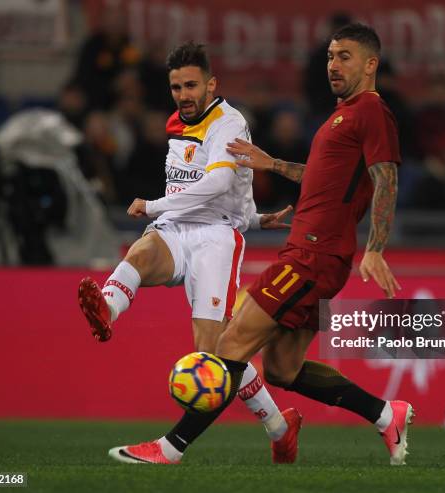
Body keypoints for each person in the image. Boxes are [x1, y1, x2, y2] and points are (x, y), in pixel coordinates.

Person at [124, 24, 415, 466]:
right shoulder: (344, 114)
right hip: (312, 252)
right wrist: (273, 164)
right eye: (331, 56)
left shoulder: (371, 112)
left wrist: (376, 247)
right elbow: (324, 177)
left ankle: (171, 448)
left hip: (313, 255)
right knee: (283, 370)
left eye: (346, 57)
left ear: (371, 64)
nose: (334, 65)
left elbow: (386, 179)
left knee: (231, 344)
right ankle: (384, 413)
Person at [77, 42, 299, 465]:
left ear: (211, 84)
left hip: (214, 239)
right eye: (177, 86)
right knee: (141, 252)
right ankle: (106, 310)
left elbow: (217, 187)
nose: (183, 94)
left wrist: (154, 204)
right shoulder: (177, 123)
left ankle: (279, 428)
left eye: (191, 85)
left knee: (215, 355)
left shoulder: (230, 123)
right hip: (177, 229)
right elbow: (211, 189)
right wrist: (254, 217)